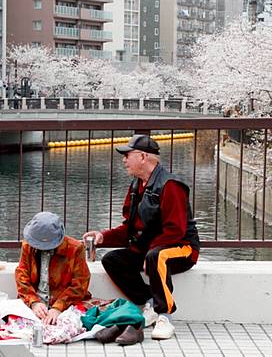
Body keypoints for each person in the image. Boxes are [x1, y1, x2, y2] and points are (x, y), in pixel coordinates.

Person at [83, 134, 199, 344]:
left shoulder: (171, 185)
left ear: (144, 157)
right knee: (112, 260)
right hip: (151, 250)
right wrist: (102, 237)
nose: (124, 160)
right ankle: (149, 302)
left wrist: (149, 252)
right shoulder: (137, 187)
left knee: (157, 256)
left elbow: (176, 230)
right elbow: (129, 229)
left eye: (128, 155)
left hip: (182, 248)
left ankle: (165, 316)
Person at [15, 212, 91, 325]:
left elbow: (80, 284)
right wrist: (33, 302)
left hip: (66, 305)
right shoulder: (27, 245)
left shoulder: (75, 248)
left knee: (74, 322)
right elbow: (22, 276)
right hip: (34, 304)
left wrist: (58, 308)